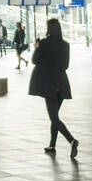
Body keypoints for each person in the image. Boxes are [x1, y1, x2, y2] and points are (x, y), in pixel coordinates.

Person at [30, 18, 78, 159]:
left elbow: (34, 60)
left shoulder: (44, 44)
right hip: (61, 83)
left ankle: (72, 140)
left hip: (48, 84)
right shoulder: (65, 45)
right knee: (54, 116)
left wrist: (37, 47)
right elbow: (66, 66)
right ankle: (52, 144)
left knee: (54, 117)